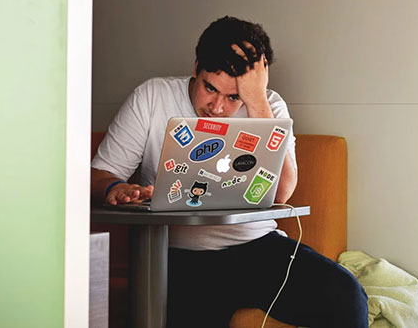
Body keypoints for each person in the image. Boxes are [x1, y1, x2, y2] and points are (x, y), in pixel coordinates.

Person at [90, 16, 368, 327]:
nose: (218, 107)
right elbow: (99, 175)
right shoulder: (152, 97)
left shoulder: (268, 106)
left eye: (233, 96)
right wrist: (115, 187)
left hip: (257, 248)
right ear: (196, 67)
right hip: (177, 256)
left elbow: (281, 192)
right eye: (210, 88)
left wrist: (257, 101)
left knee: (347, 295)